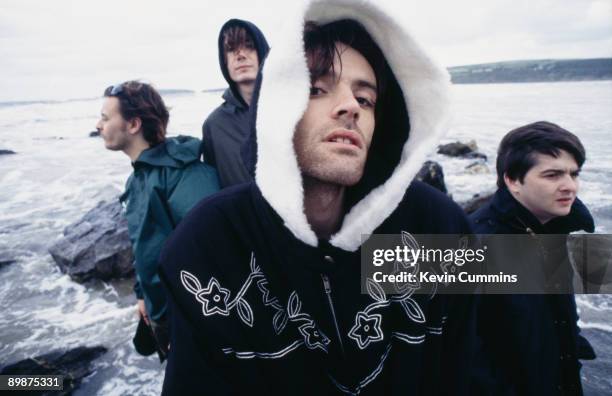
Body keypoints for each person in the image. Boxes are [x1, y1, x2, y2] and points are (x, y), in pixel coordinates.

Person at [159, 2, 475, 394]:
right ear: (275, 108)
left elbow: (483, 354)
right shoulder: (210, 246)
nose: (350, 108)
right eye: (316, 89)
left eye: (366, 99)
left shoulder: (433, 225)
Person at [470, 121, 596, 395]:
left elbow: (559, 316)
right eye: (553, 175)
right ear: (513, 180)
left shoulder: (555, 226)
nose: (569, 186)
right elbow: (463, 354)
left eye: (574, 174)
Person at [96, 81, 220, 359]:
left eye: (105, 118)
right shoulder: (137, 178)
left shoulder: (184, 174)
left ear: (133, 124)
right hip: (160, 312)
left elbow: (212, 252)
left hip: (191, 320)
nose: (98, 125)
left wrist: (187, 323)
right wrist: (142, 294)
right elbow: (144, 243)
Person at [201, 19, 269, 187]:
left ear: (263, 52)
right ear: (224, 61)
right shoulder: (214, 125)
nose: (240, 55)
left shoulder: (293, 109)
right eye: (231, 49)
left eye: (249, 46)